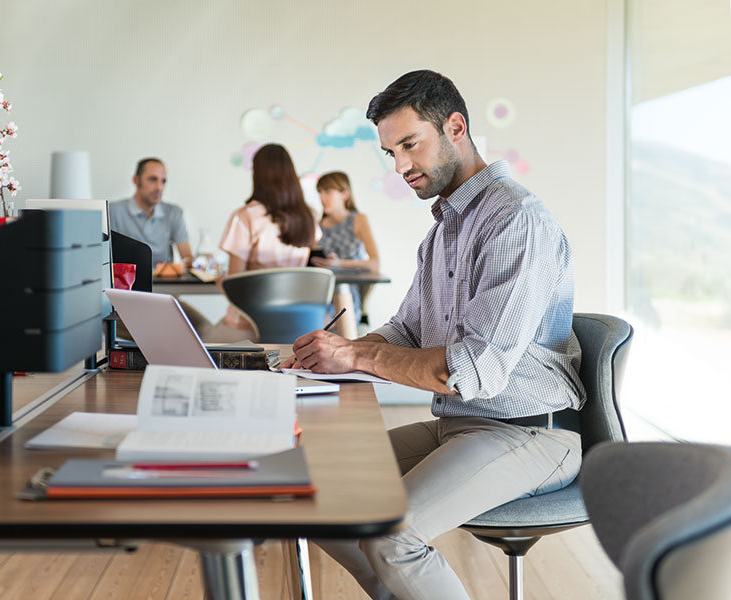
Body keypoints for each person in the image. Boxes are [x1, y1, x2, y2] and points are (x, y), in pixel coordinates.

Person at [287, 70, 585, 599]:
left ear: (455, 126)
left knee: (393, 535)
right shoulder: (443, 231)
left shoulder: (516, 220)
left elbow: (471, 369)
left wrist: (354, 356)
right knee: (317, 491)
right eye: (390, 152)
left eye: (410, 144)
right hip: (460, 426)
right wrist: (329, 355)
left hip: (528, 431)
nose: (400, 165)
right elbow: (405, 330)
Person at [205, 144, 319, 342]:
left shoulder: (245, 217)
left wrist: (221, 281)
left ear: (257, 175)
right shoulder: (308, 218)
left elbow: (235, 285)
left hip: (247, 330)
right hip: (294, 330)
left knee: (193, 333)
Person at [310, 171, 380, 339]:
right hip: (321, 293)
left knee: (320, 323)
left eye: (327, 191)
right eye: (320, 192)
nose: (322, 197)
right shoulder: (317, 225)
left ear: (345, 194)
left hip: (347, 293)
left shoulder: (358, 220)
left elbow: (375, 263)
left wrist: (339, 264)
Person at [108, 157, 192, 266]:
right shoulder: (114, 211)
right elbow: (107, 261)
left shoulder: (174, 213)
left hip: (164, 282)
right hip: (129, 282)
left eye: (163, 181)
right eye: (153, 179)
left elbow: (188, 259)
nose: (159, 187)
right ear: (136, 181)